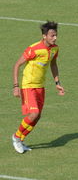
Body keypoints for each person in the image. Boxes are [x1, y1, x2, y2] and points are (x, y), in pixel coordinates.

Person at [12, 21, 65, 154]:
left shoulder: (54, 49)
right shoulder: (34, 49)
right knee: (33, 113)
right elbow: (17, 65)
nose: (55, 38)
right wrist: (16, 86)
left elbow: (53, 64)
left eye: (56, 35)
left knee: (37, 116)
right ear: (44, 36)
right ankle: (16, 137)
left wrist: (57, 83)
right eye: (52, 35)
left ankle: (21, 139)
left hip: (40, 86)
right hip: (28, 85)